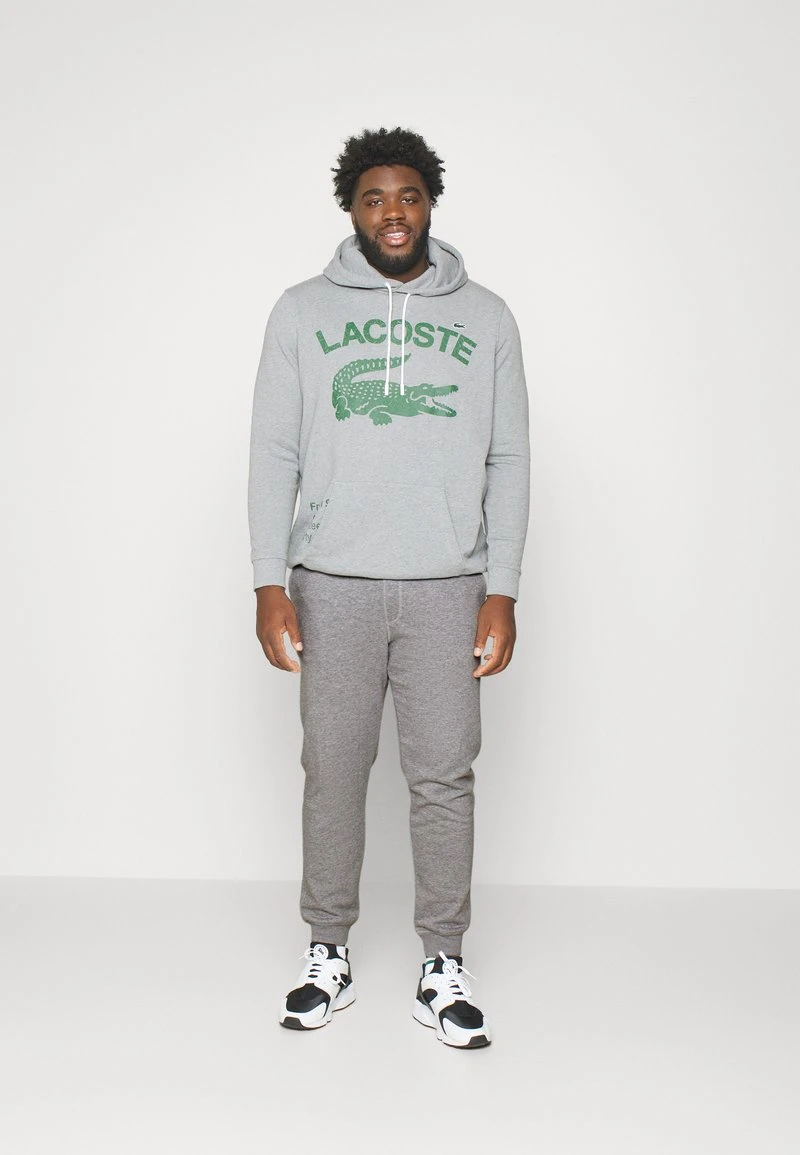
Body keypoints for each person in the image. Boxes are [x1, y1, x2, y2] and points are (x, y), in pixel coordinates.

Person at [247, 126, 530, 1049]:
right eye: (374, 199)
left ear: (430, 201)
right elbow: (274, 451)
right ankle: (326, 949)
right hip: (331, 582)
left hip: (449, 585)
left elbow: (509, 456)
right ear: (351, 209)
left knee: (444, 776)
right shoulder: (300, 311)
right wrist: (268, 580)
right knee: (332, 770)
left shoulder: (488, 316)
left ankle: (442, 962)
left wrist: (502, 586)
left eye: (407, 195)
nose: (393, 213)